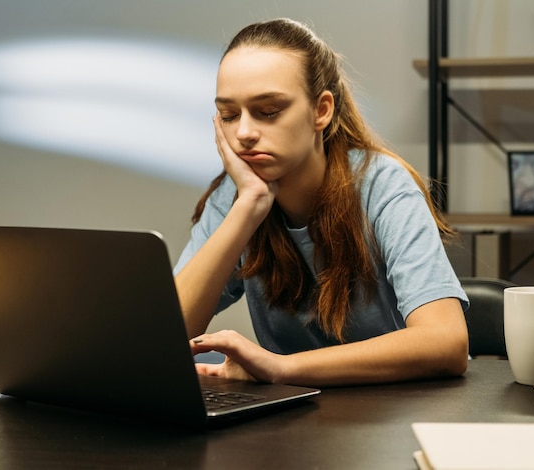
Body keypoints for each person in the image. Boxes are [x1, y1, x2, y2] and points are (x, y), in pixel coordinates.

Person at [173, 18, 469, 387]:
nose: (244, 133)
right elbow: (163, 337)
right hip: (293, 425)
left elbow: (447, 343)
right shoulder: (235, 197)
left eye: (268, 111)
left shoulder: (382, 185)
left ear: (321, 110)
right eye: (229, 116)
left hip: (394, 417)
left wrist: (280, 368)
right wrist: (248, 206)